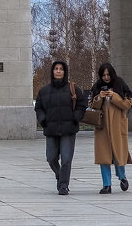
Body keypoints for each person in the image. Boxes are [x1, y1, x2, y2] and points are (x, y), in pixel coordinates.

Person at [34, 60, 86, 196]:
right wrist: (43, 120)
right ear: (52, 71)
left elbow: (81, 104)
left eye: (61, 69)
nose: (58, 71)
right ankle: (60, 175)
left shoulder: (72, 89)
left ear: (65, 72)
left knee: (66, 159)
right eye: (56, 69)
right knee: (51, 158)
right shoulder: (44, 91)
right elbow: (38, 107)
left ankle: (63, 185)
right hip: (51, 129)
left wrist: (76, 117)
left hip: (68, 129)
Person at [88, 63, 132, 194]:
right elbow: (92, 106)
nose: (106, 77)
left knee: (118, 153)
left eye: (108, 74)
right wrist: (99, 97)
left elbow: (127, 104)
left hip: (117, 125)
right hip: (102, 126)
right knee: (104, 156)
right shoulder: (97, 86)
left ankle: (122, 177)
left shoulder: (120, 84)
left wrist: (114, 96)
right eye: (103, 75)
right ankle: (106, 184)